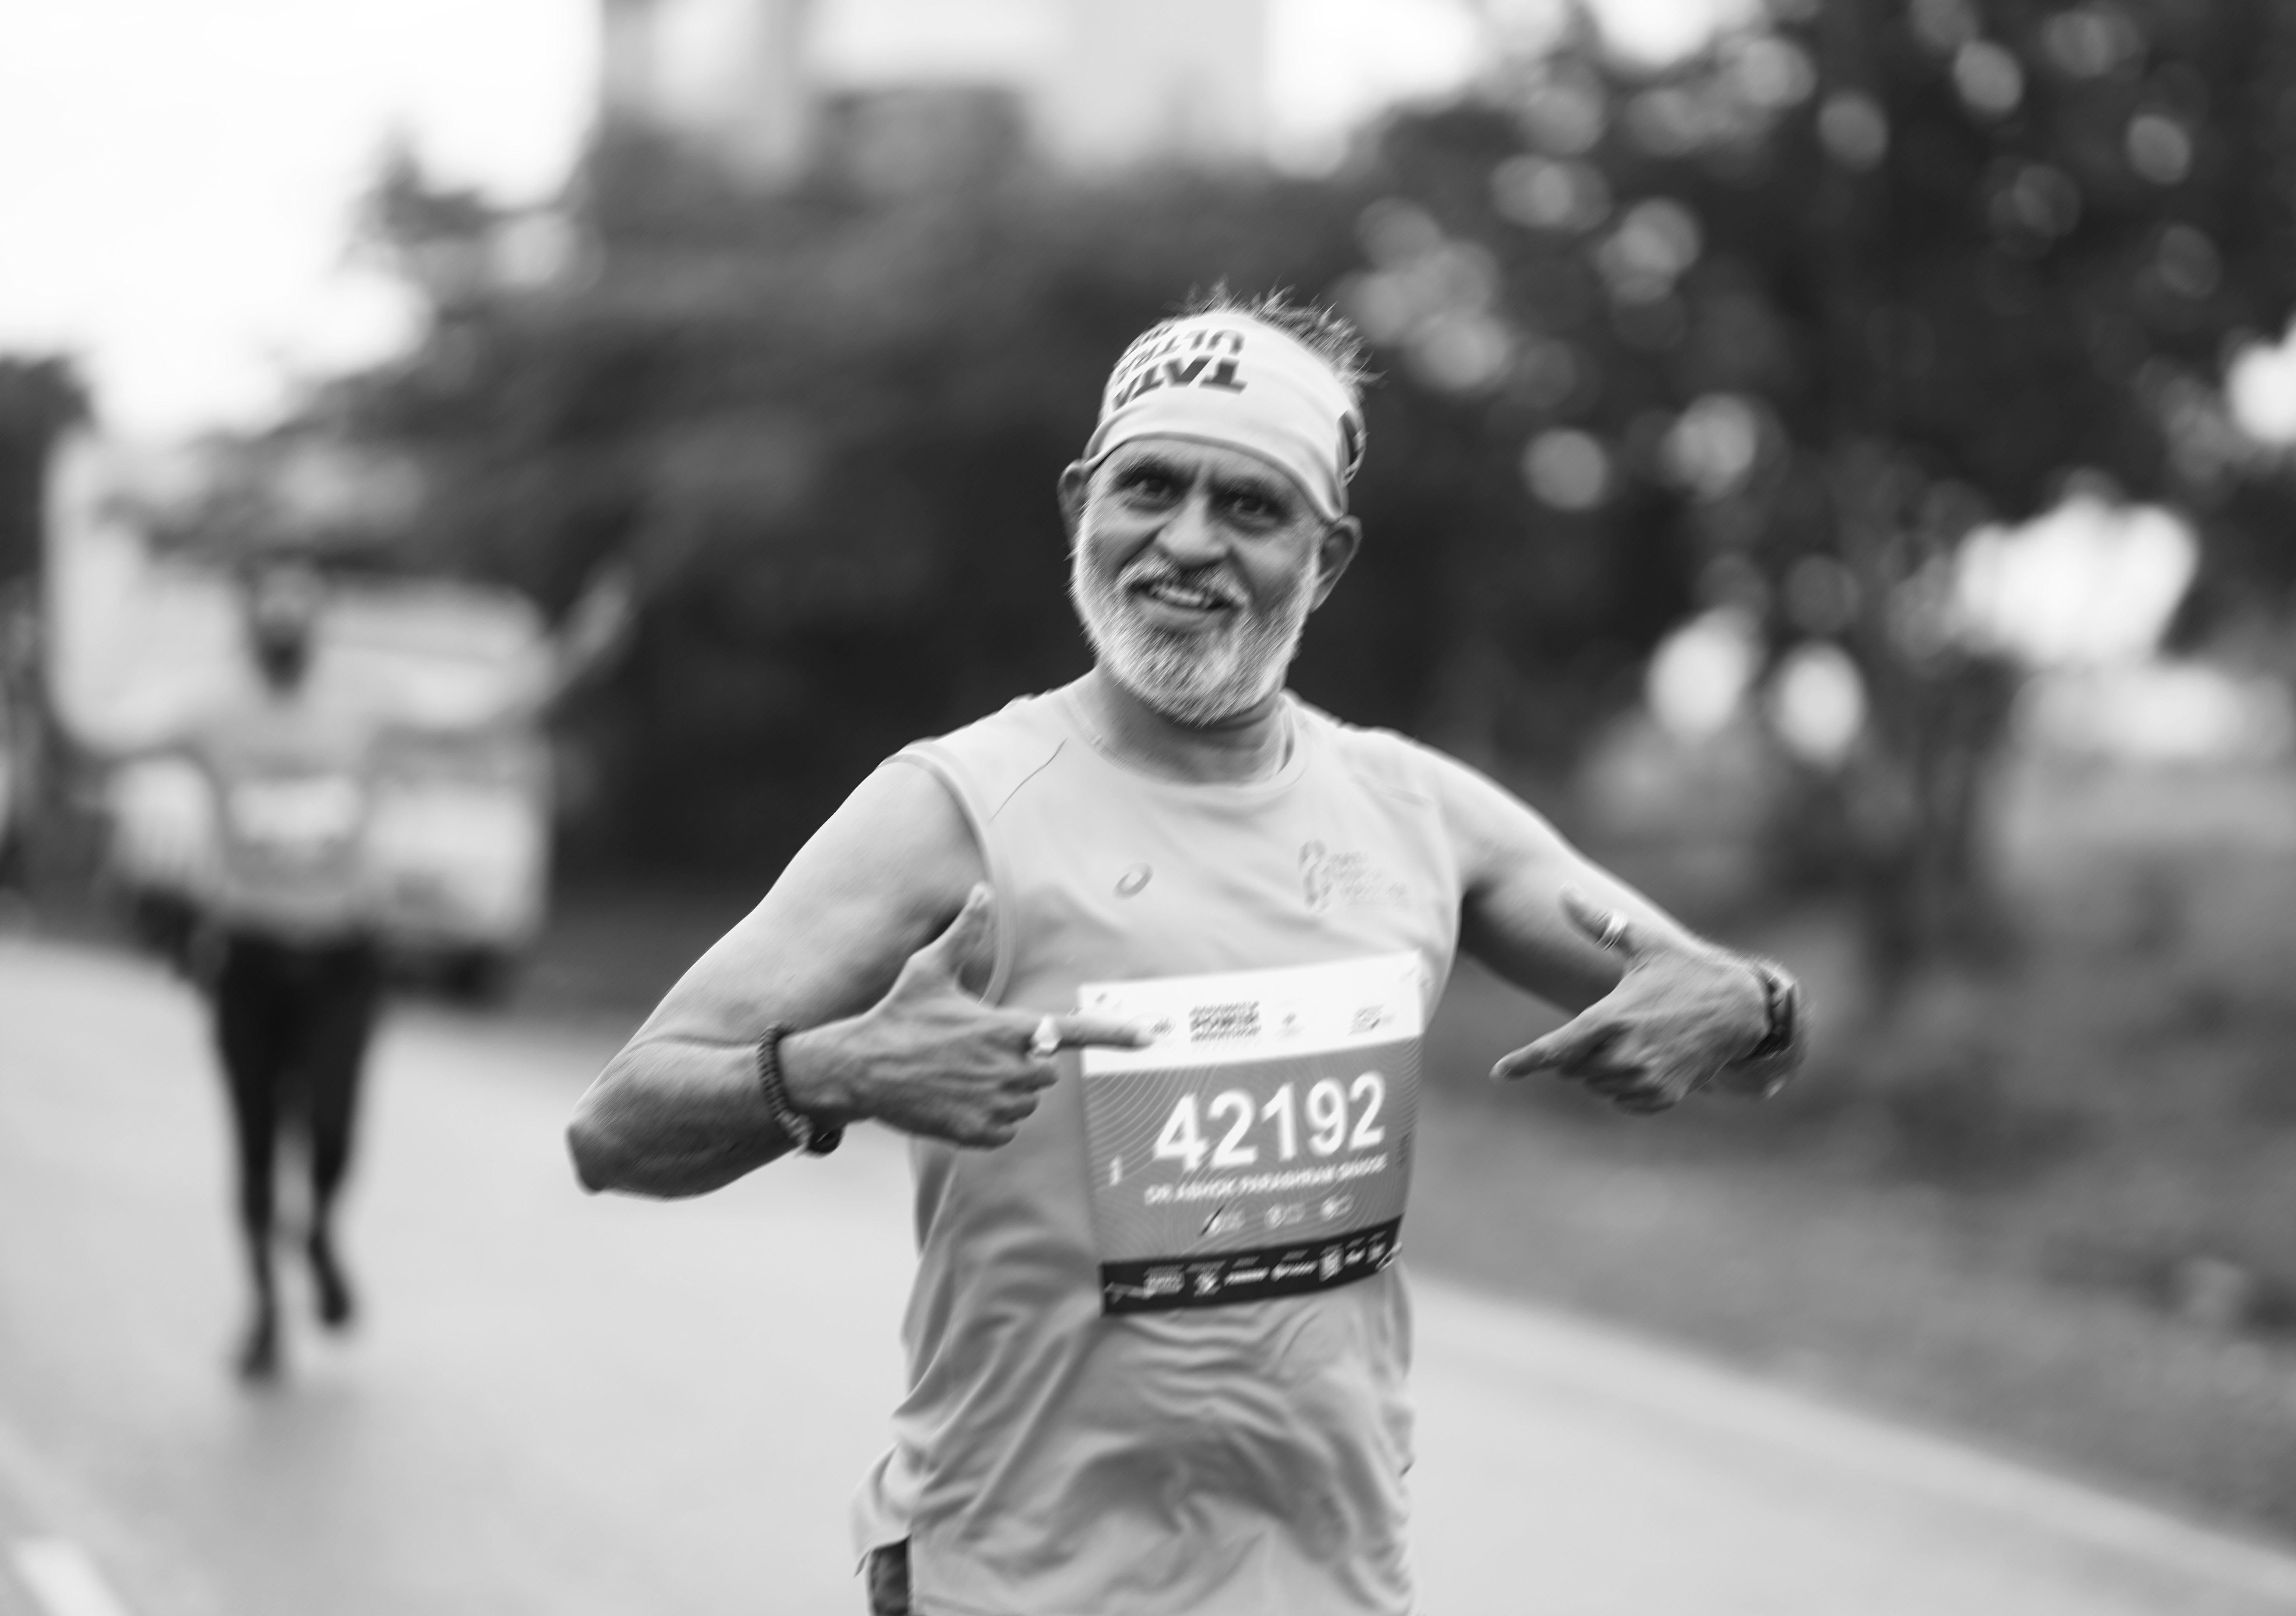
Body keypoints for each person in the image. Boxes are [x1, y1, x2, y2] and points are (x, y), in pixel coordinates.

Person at [566, 288, 1804, 1616]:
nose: (1186, 545)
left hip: (1326, 1583)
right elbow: (614, 1131)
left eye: (1251, 507)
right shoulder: (952, 806)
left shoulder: (1420, 813)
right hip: (1008, 1582)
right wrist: (830, 1072)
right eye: (1148, 488)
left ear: (1323, 559)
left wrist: (1751, 1006)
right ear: (1077, 509)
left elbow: (1727, 1033)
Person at [126, 557, 631, 1380]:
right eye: (271, 602)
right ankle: (262, 1308)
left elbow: (482, 714)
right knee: (255, 1144)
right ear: (249, 616)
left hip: (340, 961)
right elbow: (97, 734)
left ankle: (318, 1229)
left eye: (300, 601)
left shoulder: (361, 697)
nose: (285, 616)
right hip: (247, 957)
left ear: (316, 617)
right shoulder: (210, 709)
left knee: (329, 1128)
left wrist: (577, 648)